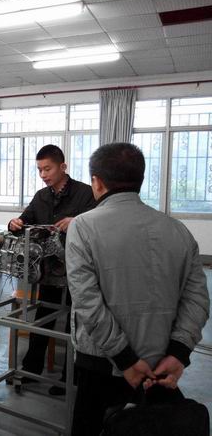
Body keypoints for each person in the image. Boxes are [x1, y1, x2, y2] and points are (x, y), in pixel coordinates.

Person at [66, 142, 210, 435]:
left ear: (97, 182)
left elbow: (87, 303)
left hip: (102, 364)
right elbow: (197, 299)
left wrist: (126, 360)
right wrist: (179, 352)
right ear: (140, 179)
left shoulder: (82, 227)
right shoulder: (178, 230)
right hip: (161, 367)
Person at [7, 145, 95, 395]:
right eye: (39, 170)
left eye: (47, 169)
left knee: (73, 325)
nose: (43, 174)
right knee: (43, 319)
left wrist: (77, 221)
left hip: (79, 272)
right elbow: (25, 219)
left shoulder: (85, 194)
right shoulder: (41, 197)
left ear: (62, 167)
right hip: (49, 271)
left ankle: (70, 379)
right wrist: (15, 223)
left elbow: (100, 222)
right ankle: (31, 371)